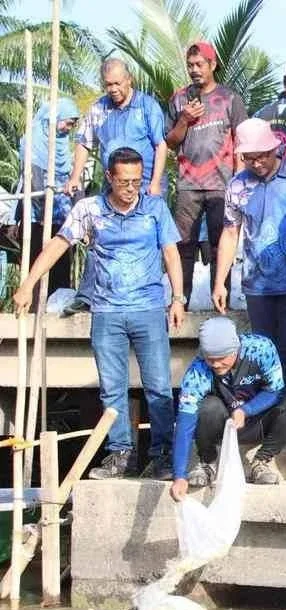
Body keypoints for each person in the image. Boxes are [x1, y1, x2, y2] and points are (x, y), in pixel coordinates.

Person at [13, 147, 185, 480]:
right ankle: (120, 455)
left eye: (136, 181)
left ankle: (162, 456)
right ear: (109, 177)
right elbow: (58, 245)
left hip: (149, 310)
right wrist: (28, 285)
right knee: (112, 388)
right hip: (107, 312)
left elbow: (170, 253)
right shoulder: (89, 209)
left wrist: (177, 298)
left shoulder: (154, 208)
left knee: (159, 387)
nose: (131, 188)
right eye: (124, 182)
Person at [213, 118, 286, 395]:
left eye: (262, 156)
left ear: (274, 150)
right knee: (262, 352)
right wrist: (220, 281)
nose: (257, 163)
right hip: (257, 286)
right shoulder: (237, 186)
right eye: (249, 158)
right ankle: (265, 410)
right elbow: (230, 233)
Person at [64, 59, 169, 314]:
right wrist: (75, 176)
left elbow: (160, 145)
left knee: (149, 240)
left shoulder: (147, 106)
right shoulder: (99, 109)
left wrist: (155, 183)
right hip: (112, 185)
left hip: (145, 184)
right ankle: (87, 296)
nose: (113, 89)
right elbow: (84, 142)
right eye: (108, 84)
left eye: (117, 83)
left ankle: (149, 296)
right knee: (100, 236)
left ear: (129, 80)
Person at [169, 317, 286, 498]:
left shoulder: (260, 349)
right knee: (208, 407)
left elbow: (274, 391)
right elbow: (185, 422)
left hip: (257, 421)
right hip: (221, 425)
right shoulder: (198, 369)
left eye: (222, 358)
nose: (216, 364)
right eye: (211, 359)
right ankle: (207, 462)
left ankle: (261, 461)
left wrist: (246, 410)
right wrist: (179, 475)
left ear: (235, 350)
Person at [165, 42, 248, 304]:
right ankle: (181, 301)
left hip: (222, 185)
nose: (194, 70)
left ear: (213, 65)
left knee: (220, 244)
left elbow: (242, 142)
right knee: (183, 244)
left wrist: (239, 182)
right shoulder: (179, 99)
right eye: (190, 65)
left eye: (199, 64)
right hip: (188, 184)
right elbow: (170, 141)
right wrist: (184, 120)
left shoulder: (230, 98)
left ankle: (220, 301)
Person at [17, 98, 80, 294]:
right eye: (67, 123)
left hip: (61, 221)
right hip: (37, 220)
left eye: (72, 125)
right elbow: (33, 181)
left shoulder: (63, 148)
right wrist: (44, 209)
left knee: (60, 272)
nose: (68, 129)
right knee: (36, 270)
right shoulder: (33, 143)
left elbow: (73, 180)